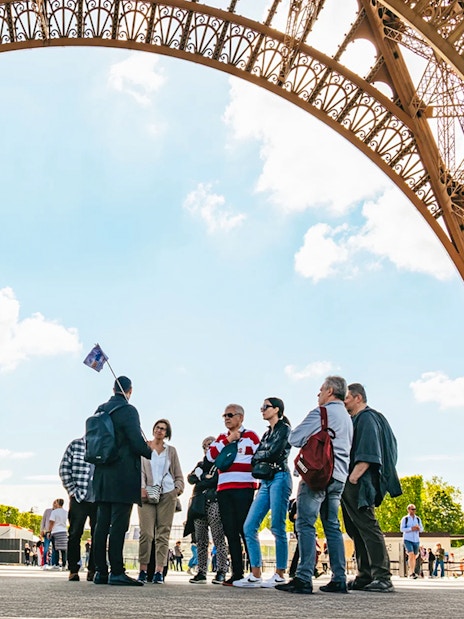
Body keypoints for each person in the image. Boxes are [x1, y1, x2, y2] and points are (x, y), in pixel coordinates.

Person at [276, 376, 353, 595]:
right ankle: (339, 578)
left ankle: (303, 577)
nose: (318, 394)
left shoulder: (321, 413)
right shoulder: (348, 418)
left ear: (330, 391)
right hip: (339, 476)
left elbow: (295, 438)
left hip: (318, 475)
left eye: (320, 390)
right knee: (332, 526)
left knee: (306, 524)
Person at [341, 383, 402, 593]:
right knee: (355, 528)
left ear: (358, 398)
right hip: (357, 479)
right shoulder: (362, 418)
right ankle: (365, 574)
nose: (343, 401)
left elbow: (368, 451)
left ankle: (382, 576)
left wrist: (354, 477)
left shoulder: (366, 418)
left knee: (367, 526)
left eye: (346, 397)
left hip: (360, 480)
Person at [92, 376, 152, 586]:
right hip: (123, 475)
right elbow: (136, 442)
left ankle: (101, 571)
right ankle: (117, 570)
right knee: (119, 524)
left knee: (101, 524)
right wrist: (149, 449)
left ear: (113, 388)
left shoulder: (100, 409)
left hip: (101, 474)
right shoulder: (129, 410)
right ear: (130, 390)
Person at [234, 397, 292, 588]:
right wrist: (262, 454)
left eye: (265, 407)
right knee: (249, 526)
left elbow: (274, 452)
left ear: (276, 409)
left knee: (277, 526)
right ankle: (255, 573)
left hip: (280, 477)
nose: (262, 410)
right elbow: (255, 457)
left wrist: (261, 454)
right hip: (265, 481)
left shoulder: (284, 429)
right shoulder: (267, 433)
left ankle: (280, 573)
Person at [206, 403, 260, 586]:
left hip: (244, 489)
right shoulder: (221, 438)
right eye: (224, 415)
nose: (227, 418)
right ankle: (237, 572)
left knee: (245, 529)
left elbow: (259, 457)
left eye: (230, 414)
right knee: (230, 530)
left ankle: (254, 571)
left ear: (241, 417)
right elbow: (210, 457)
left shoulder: (251, 436)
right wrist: (228, 440)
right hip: (224, 490)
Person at [137, 419, 184, 584]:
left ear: (167, 433)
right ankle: (143, 570)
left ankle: (159, 571)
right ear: (153, 429)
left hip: (166, 494)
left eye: (163, 429)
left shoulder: (170, 451)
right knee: (146, 533)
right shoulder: (145, 447)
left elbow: (178, 473)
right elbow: (139, 470)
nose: (160, 431)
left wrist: (177, 489)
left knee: (163, 534)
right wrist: (141, 488)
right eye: (157, 427)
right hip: (146, 493)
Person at [184, 436, 228, 585]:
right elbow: (190, 479)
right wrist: (203, 476)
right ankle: (201, 571)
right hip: (198, 503)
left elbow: (214, 480)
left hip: (214, 501)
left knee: (218, 537)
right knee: (200, 540)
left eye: (210, 445)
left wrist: (200, 477)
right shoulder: (201, 464)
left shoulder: (221, 463)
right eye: (204, 446)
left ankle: (222, 570)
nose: (207, 448)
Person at [59, 436, 98, 582]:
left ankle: (93, 569)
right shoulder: (75, 445)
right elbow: (64, 469)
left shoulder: (104, 445)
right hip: (79, 498)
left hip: (99, 498)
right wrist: (72, 491)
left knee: (98, 535)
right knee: (75, 533)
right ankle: (73, 569)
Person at [400, 504, 424, 579]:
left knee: (414, 556)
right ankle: (412, 572)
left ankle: (412, 570)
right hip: (407, 539)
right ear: (408, 510)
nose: (413, 511)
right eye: (412, 509)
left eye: (414, 509)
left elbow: (422, 529)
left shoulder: (418, 519)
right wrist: (411, 528)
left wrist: (418, 528)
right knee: (411, 554)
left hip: (416, 539)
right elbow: (402, 529)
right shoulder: (405, 519)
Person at [49, 498, 68, 569]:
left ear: (58, 503)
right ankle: (64, 565)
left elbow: (51, 522)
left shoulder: (54, 512)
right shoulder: (66, 512)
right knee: (64, 549)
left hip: (55, 531)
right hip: (63, 531)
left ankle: (56, 564)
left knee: (55, 549)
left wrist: (49, 531)